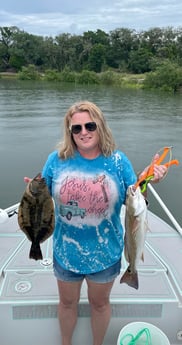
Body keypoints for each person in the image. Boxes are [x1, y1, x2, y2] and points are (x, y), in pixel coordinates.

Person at [25, 101, 167, 345]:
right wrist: (31, 193)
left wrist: (146, 181)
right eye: (76, 128)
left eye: (89, 125)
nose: (83, 132)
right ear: (69, 132)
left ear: (100, 126)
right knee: (67, 303)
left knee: (100, 305)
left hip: (105, 253)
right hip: (66, 252)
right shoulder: (57, 160)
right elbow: (43, 193)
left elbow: (134, 200)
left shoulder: (118, 161)